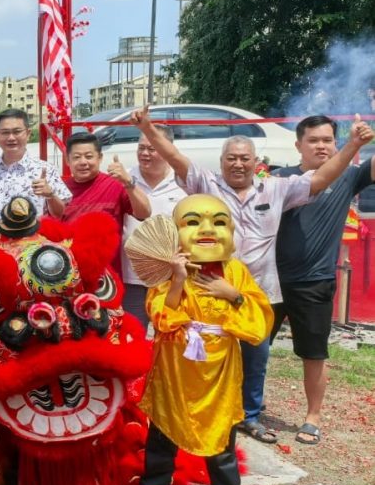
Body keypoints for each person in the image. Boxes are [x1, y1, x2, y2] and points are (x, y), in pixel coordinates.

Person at [131, 104, 370, 444]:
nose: (238, 163)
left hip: (258, 292)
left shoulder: (276, 188)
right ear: (222, 161)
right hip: (208, 289)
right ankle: (203, 409)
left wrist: (352, 146)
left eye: (245, 158)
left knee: (257, 357)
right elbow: (177, 158)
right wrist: (149, 129)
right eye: (232, 158)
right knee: (207, 353)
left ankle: (249, 416)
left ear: (255, 162)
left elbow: (320, 179)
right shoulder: (205, 184)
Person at [132, 194, 273, 485]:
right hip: (176, 368)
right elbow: (162, 318)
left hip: (220, 369)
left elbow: (258, 325)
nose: (207, 229)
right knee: (163, 432)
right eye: (193, 222)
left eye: (219, 222)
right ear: (176, 232)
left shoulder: (236, 272)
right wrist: (178, 278)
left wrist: (233, 294)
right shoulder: (167, 269)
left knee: (222, 435)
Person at [272, 115, 374, 445]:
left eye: (328, 140)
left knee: (314, 353)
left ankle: (312, 417)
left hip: (314, 282)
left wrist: (362, 137)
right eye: (313, 140)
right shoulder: (279, 178)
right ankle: (245, 410)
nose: (321, 145)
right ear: (298, 144)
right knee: (251, 349)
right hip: (270, 282)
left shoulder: (348, 175)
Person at [57, 131, 151, 275]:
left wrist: (128, 182)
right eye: (76, 157)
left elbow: (145, 213)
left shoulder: (115, 184)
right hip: (67, 274)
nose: (83, 162)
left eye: (89, 156)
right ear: (67, 160)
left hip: (107, 277)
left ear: (100, 158)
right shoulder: (59, 188)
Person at [120, 126, 185, 327]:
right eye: (141, 148)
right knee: (132, 337)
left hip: (169, 278)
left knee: (169, 336)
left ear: (167, 149)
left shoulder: (184, 182)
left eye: (152, 148)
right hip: (132, 278)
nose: (144, 153)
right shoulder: (124, 178)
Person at [0, 109, 71, 221]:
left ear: (28, 134)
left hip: (34, 238)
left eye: (17, 132)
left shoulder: (46, 170)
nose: (11, 138)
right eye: (5, 132)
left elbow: (59, 214)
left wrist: (50, 195)